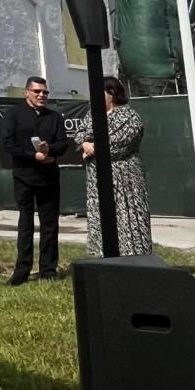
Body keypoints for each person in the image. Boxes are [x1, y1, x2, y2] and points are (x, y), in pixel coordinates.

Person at [0, 76, 67, 285]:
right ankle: (22, 270)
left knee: (49, 225)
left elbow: (63, 143)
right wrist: (32, 156)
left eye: (45, 92)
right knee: (26, 224)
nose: (41, 95)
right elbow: (7, 144)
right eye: (37, 91)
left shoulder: (54, 117)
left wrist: (51, 150)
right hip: (24, 176)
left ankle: (48, 269)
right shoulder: (13, 115)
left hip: (48, 178)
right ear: (26, 92)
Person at [75, 75, 152, 257]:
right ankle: (104, 257)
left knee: (128, 220)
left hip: (125, 179)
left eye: (99, 93)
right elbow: (79, 134)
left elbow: (117, 145)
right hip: (97, 179)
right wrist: (85, 145)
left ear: (112, 93)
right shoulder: (93, 114)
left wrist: (91, 148)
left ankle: (134, 261)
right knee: (101, 219)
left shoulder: (130, 117)